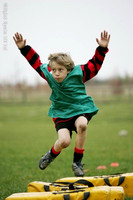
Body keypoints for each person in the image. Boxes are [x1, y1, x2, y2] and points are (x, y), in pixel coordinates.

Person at [13, 31, 110, 176]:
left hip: (80, 109)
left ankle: (77, 163)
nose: (56, 73)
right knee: (64, 142)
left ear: (68, 70)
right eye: (54, 70)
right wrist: (23, 48)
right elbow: (36, 63)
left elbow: (95, 65)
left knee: (82, 125)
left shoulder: (79, 73)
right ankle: (51, 155)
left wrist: (102, 49)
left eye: (60, 70)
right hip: (61, 113)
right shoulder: (50, 76)